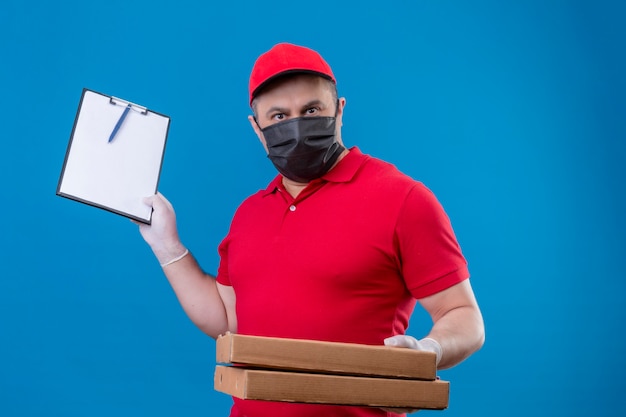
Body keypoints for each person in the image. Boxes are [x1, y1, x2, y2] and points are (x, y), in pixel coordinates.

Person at [137, 43, 485, 417]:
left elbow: (463, 315)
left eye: (311, 110)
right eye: (279, 116)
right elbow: (229, 321)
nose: (296, 126)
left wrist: (428, 351)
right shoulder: (249, 213)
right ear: (257, 128)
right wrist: (167, 245)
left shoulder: (404, 199)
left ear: (339, 111)